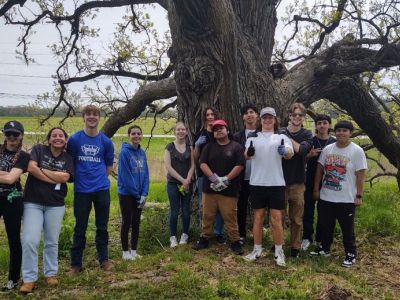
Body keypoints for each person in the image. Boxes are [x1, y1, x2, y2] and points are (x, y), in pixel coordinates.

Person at [19, 127, 73, 293]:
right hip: (32, 203)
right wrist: (53, 176)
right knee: (29, 240)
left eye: (61, 136)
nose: (58, 138)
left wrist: (41, 171)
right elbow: (31, 168)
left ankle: (51, 274)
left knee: (51, 241)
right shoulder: (38, 150)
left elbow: (66, 177)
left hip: (55, 204)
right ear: (49, 139)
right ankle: (29, 279)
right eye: (54, 135)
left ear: (65, 140)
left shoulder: (68, 157)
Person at [311, 120, 367, 268]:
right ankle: (325, 249)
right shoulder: (328, 149)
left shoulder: (356, 151)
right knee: (325, 226)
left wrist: (359, 195)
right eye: (339, 130)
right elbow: (319, 170)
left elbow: (361, 175)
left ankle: (350, 254)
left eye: (345, 130)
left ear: (350, 133)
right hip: (326, 196)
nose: (341, 133)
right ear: (334, 132)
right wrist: (316, 189)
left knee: (347, 229)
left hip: (346, 198)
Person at [243, 107, 293, 266]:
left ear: (275, 119)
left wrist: (284, 150)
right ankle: (257, 250)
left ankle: (279, 252)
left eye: (270, 117)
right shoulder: (252, 137)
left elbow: (290, 154)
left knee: (276, 219)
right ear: (260, 119)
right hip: (257, 183)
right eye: (264, 117)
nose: (267, 120)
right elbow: (246, 155)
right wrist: (248, 152)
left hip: (276, 183)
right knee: (257, 218)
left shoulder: (282, 137)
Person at [67, 105, 114, 274]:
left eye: (95, 114)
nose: (92, 117)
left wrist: (100, 179)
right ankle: (76, 264)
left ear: (99, 118)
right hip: (81, 190)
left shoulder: (106, 142)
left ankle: (104, 259)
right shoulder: (74, 140)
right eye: (88, 114)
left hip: (101, 189)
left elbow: (109, 165)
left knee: (102, 226)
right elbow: (70, 162)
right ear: (83, 117)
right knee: (80, 227)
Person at [192, 119, 244, 255]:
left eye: (221, 128)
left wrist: (226, 179)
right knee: (207, 215)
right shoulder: (209, 147)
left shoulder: (236, 147)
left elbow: (240, 165)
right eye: (215, 129)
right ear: (213, 134)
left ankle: (235, 241)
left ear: (227, 130)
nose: (218, 131)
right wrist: (214, 179)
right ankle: (204, 238)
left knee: (230, 216)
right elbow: (202, 163)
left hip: (229, 190)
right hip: (210, 189)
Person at [279, 103, 313, 258]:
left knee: (296, 218)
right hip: (279, 182)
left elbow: (301, 150)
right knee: (278, 216)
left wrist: (286, 138)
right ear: (289, 116)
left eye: (300, 115)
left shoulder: (307, 134)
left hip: (298, 182)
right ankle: (278, 244)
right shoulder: (279, 132)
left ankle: (295, 247)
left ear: (303, 117)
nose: (297, 117)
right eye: (294, 115)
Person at [0, 121, 30, 292]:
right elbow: (10, 175)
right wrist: (9, 173)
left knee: (13, 240)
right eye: (8, 134)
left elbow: (12, 179)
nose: (11, 138)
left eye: (15, 134)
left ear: (21, 136)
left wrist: (9, 175)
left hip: (13, 199)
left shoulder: (24, 156)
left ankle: (13, 279)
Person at [301, 115, 336, 251]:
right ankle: (307, 237)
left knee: (325, 212)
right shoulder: (311, 141)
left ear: (329, 125)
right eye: (319, 123)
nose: (322, 125)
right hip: (309, 180)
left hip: (329, 181)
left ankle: (321, 239)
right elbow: (299, 162)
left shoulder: (334, 142)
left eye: (325, 123)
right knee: (308, 209)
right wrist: (309, 155)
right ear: (315, 126)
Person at [118, 125, 149, 260]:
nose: (136, 136)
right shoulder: (124, 153)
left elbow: (146, 174)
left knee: (136, 222)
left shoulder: (142, 153)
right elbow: (126, 176)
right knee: (127, 221)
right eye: (133, 134)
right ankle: (125, 252)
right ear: (129, 135)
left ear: (141, 135)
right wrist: (137, 195)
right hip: (126, 194)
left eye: (138, 133)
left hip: (139, 195)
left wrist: (144, 193)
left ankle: (134, 251)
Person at [193, 107, 224, 242]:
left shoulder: (220, 132)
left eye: (212, 114)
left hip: (220, 174)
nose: (210, 117)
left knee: (219, 205)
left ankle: (218, 233)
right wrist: (197, 145)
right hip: (203, 175)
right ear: (205, 117)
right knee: (203, 205)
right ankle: (205, 233)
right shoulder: (200, 134)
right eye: (208, 115)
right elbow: (195, 158)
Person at [165, 122, 195, 248]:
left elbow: (193, 165)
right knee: (174, 211)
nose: (181, 132)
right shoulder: (169, 147)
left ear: (186, 132)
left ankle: (185, 234)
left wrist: (187, 180)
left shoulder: (190, 147)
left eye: (183, 129)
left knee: (186, 211)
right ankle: (172, 237)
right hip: (173, 183)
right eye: (178, 130)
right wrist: (182, 180)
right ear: (175, 132)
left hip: (187, 184)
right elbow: (168, 166)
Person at [232, 103, 258, 244]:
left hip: (259, 178)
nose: (249, 115)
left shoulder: (262, 134)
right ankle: (241, 234)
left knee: (258, 209)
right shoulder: (237, 136)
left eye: (252, 112)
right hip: (242, 178)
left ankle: (257, 235)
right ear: (243, 117)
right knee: (241, 207)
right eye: (246, 113)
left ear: (256, 115)